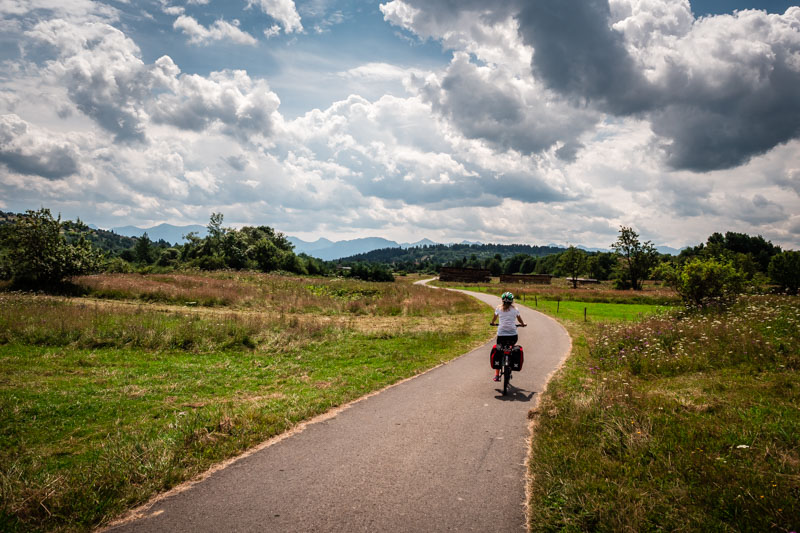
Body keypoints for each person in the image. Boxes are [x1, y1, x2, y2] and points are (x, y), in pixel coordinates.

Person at [489, 291, 526, 381]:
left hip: (501, 335)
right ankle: (510, 364)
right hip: (513, 335)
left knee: (499, 350)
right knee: (511, 348)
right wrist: (522, 324)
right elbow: (520, 319)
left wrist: (493, 323)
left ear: (502, 300)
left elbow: (494, 319)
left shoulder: (498, 308)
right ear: (512, 301)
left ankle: (497, 375)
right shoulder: (515, 309)